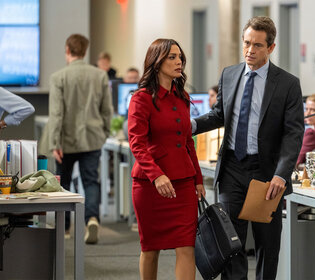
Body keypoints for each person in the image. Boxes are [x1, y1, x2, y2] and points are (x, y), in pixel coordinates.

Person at [193, 16, 304, 279]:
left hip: (266, 174)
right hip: (232, 167)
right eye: (246, 43)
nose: (249, 50)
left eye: (257, 45)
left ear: (271, 48)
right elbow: (219, 113)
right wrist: (193, 126)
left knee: (268, 245)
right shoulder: (229, 74)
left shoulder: (287, 84)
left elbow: (293, 134)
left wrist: (281, 173)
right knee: (230, 244)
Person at [127, 38, 206, 279]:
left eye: (180, 56)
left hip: (183, 183)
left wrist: (198, 179)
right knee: (151, 248)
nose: (178, 61)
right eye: (172, 57)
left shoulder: (182, 96)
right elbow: (137, 144)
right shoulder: (141, 98)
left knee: (186, 246)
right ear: (157, 61)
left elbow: (188, 142)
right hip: (150, 185)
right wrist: (156, 175)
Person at [48, 34, 113, 244]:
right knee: (91, 181)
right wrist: (104, 133)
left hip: (66, 141)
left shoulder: (58, 77)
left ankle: (65, 228)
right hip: (93, 138)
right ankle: (92, 219)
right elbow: (107, 110)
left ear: (67, 49)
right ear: (85, 51)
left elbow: (57, 114)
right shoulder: (100, 76)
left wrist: (54, 142)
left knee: (63, 183)